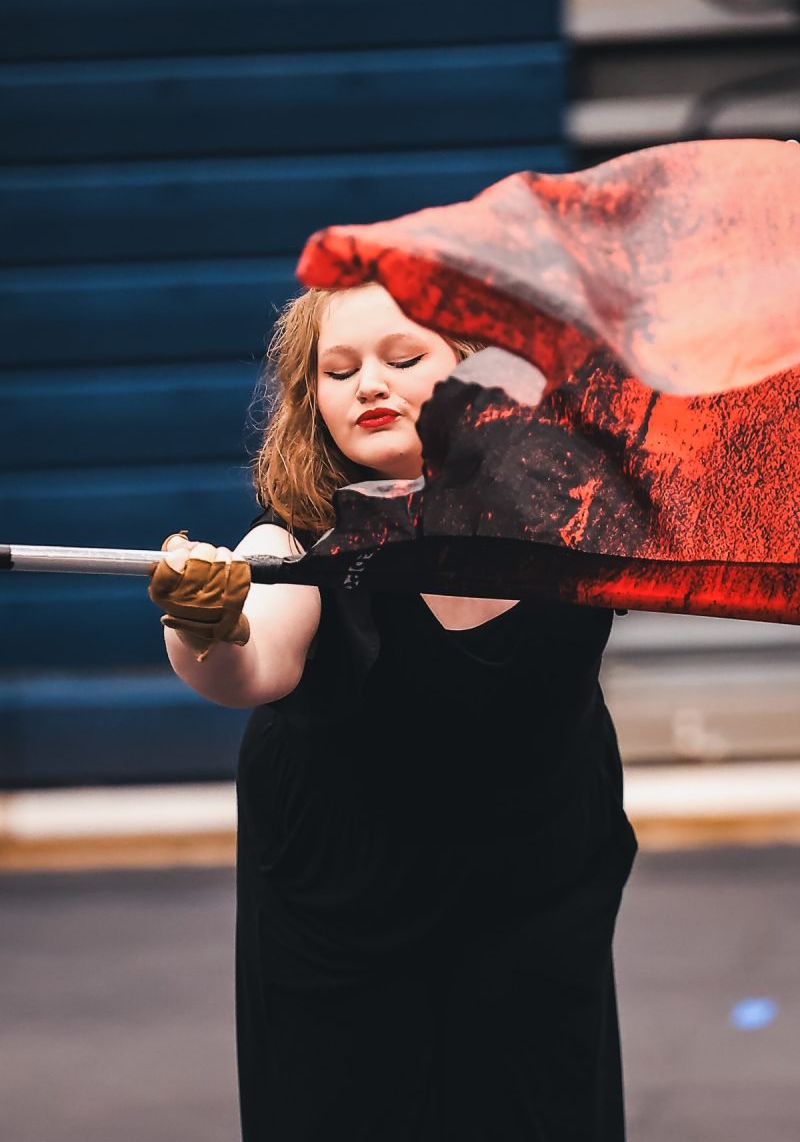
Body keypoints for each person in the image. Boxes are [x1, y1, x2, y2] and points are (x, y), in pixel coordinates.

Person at [149, 281, 639, 1141]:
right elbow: (249, 668)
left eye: (403, 358)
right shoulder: (290, 539)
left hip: (537, 888)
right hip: (346, 913)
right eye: (338, 373)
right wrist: (203, 622)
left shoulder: (575, 511)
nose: (369, 384)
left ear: (481, 371)